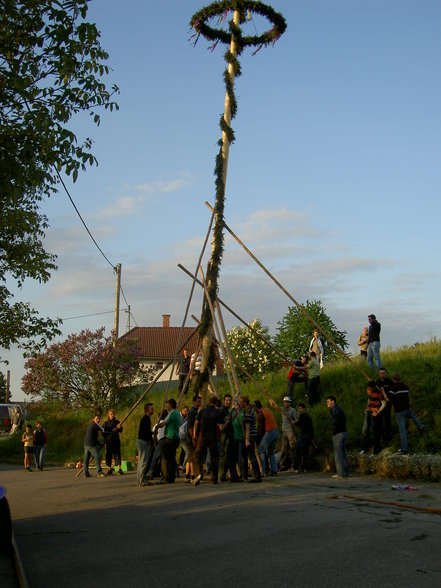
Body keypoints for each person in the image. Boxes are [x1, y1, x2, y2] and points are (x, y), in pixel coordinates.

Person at [191, 395, 227, 486]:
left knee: (197, 456)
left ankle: (198, 474)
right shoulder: (217, 412)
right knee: (214, 457)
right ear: (215, 403)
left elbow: (196, 422)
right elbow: (221, 425)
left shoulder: (202, 411)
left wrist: (195, 435)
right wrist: (226, 421)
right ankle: (214, 477)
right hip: (213, 438)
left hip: (202, 437)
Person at [386, 372, 424, 454]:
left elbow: (389, 400)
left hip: (399, 411)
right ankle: (421, 426)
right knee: (413, 416)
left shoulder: (393, 389)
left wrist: (383, 392)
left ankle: (404, 449)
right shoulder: (405, 387)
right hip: (407, 407)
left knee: (402, 431)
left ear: (393, 379)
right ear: (400, 378)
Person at [359, 381, 386, 456]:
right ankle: (365, 448)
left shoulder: (379, 393)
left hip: (375, 412)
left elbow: (384, 403)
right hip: (369, 411)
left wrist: (378, 412)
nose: (369, 389)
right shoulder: (368, 390)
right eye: (368, 388)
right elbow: (369, 398)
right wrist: (367, 407)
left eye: (371, 388)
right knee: (365, 430)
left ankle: (376, 450)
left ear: (374, 387)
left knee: (375, 431)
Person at [326, 396, 349, 479]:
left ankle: (340, 473)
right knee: (343, 453)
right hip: (343, 432)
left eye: (328, 401)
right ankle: (346, 472)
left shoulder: (335, 410)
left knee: (338, 454)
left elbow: (335, 423)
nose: (327, 403)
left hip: (338, 433)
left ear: (333, 401)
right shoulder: (339, 409)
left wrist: (333, 432)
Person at [253, 400, 279, 477]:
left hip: (269, 432)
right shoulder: (267, 409)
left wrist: (257, 440)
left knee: (261, 450)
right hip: (276, 432)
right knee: (271, 452)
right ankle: (274, 470)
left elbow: (261, 429)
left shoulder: (260, 414)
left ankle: (262, 471)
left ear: (256, 407)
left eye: (253, 407)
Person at [158, 399, 181, 483]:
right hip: (176, 437)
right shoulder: (177, 413)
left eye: (167, 405)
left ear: (170, 405)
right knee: (171, 457)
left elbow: (163, 424)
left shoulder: (172, 414)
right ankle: (171, 476)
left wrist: (157, 426)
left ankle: (167, 476)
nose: (167, 406)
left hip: (171, 438)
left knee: (167, 457)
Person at [240, 396, 261, 483]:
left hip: (250, 436)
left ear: (245, 402)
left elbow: (247, 427)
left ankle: (257, 476)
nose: (240, 403)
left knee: (251, 456)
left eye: (241, 402)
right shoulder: (249, 410)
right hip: (251, 435)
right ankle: (244, 475)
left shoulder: (248, 412)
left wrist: (247, 439)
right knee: (245, 456)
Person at [219, 394, 239, 482]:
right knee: (228, 456)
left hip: (230, 434)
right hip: (225, 435)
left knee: (229, 456)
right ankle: (231, 476)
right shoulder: (222, 411)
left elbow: (230, 420)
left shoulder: (228, 410)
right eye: (227, 400)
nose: (228, 402)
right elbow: (221, 426)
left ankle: (223, 475)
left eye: (230, 400)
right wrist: (227, 421)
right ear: (224, 401)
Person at [277, 397, 298, 471]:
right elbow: (274, 405)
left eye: (287, 402)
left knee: (292, 447)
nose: (285, 403)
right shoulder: (283, 410)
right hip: (284, 431)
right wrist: (269, 396)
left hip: (290, 430)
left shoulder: (293, 410)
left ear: (290, 403)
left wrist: (294, 422)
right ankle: (282, 464)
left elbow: (296, 419)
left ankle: (294, 465)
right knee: (284, 448)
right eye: (284, 402)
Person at [292, 403, 314, 473]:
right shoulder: (308, 415)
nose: (299, 410)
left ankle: (296, 468)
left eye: (300, 408)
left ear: (304, 408)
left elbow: (298, 423)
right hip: (309, 436)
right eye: (298, 409)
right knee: (305, 452)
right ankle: (305, 468)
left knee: (297, 451)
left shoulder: (303, 415)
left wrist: (294, 422)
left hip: (303, 436)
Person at [136, 403, 154, 487]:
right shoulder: (146, 419)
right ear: (147, 410)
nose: (152, 410)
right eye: (151, 409)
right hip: (143, 441)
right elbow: (146, 433)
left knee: (140, 461)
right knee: (143, 462)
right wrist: (151, 441)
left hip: (140, 441)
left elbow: (146, 431)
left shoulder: (144, 419)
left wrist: (152, 433)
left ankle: (140, 479)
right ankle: (142, 480)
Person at [83, 414, 105, 478]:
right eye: (96, 419)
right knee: (97, 456)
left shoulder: (91, 425)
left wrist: (99, 444)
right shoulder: (95, 425)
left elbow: (95, 437)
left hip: (86, 444)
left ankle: (85, 473)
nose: (98, 420)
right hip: (91, 445)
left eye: (99, 419)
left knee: (86, 459)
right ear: (93, 419)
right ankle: (99, 472)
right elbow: (102, 429)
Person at [102, 409, 123, 476]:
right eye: (111, 414)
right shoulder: (105, 423)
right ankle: (109, 469)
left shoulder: (117, 422)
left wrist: (119, 428)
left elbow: (121, 430)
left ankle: (119, 469)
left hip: (116, 440)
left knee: (117, 454)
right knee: (108, 455)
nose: (112, 415)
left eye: (113, 414)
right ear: (108, 415)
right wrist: (106, 437)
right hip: (109, 441)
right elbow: (103, 432)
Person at [376, 367, 394, 442]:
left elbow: (392, 392)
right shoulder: (377, 382)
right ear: (379, 374)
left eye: (383, 373)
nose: (382, 374)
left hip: (387, 404)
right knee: (379, 421)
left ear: (385, 373)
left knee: (387, 421)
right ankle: (381, 437)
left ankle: (388, 437)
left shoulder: (389, 382)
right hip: (380, 404)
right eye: (381, 373)